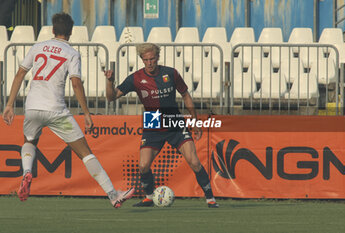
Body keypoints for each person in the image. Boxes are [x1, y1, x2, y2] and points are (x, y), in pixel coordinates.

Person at [2, 12, 134, 208]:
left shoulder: (37, 47)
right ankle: (113, 194)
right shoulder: (71, 53)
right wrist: (86, 113)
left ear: (53, 30)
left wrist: (10, 104)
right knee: (85, 153)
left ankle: (27, 171)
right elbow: (76, 84)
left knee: (29, 141)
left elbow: (21, 73)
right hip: (56, 110)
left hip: (32, 107)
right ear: (70, 33)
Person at [105, 43, 219, 208]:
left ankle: (211, 199)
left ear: (157, 57)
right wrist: (109, 82)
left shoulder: (171, 73)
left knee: (194, 161)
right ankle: (149, 198)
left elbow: (186, 95)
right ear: (142, 60)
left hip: (174, 121)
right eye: (146, 60)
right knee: (143, 165)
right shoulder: (136, 78)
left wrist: (194, 122)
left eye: (152, 59)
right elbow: (111, 97)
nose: (149, 63)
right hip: (153, 122)